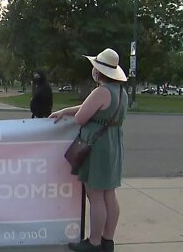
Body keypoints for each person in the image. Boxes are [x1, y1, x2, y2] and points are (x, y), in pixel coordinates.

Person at [49, 48, 128, 252]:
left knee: (95, 196)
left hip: (96, 147)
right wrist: (66, 109)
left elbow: (81, 117)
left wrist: (69, 113)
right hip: (112, 144)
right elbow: (90, 107)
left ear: (98, 71)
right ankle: (107, 240)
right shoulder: (121, 92)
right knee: (109, 194)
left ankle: (93, 242)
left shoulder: (101, 91)